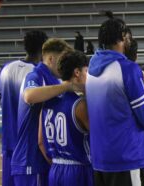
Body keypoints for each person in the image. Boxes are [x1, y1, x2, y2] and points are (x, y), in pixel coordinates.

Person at [85, 16, 144, 186]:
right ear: (123, 37)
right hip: (126, 157)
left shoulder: (92, 67)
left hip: (100, 159)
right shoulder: (127, 69)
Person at [11, 38, 73, 186]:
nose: (65, 65)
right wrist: (66, 86)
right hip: (30, 160)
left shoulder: (53, 80)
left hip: (41, 160)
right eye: (62, 60)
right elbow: (29, 96)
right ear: (51, 59)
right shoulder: (36, 75)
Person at [0, 30, 48, 186]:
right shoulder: (38, 74)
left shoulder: (6, 69)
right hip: (28, 150)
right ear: (44, 48)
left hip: (8, 147)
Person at [38, 50, 93, 186]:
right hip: (78, 170)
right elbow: (101, 139)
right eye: (86, 71)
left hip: (55, 169)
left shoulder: (47, 101)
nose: (88, 76)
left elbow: (40, 142)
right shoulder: (80, 105)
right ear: (77, 72)